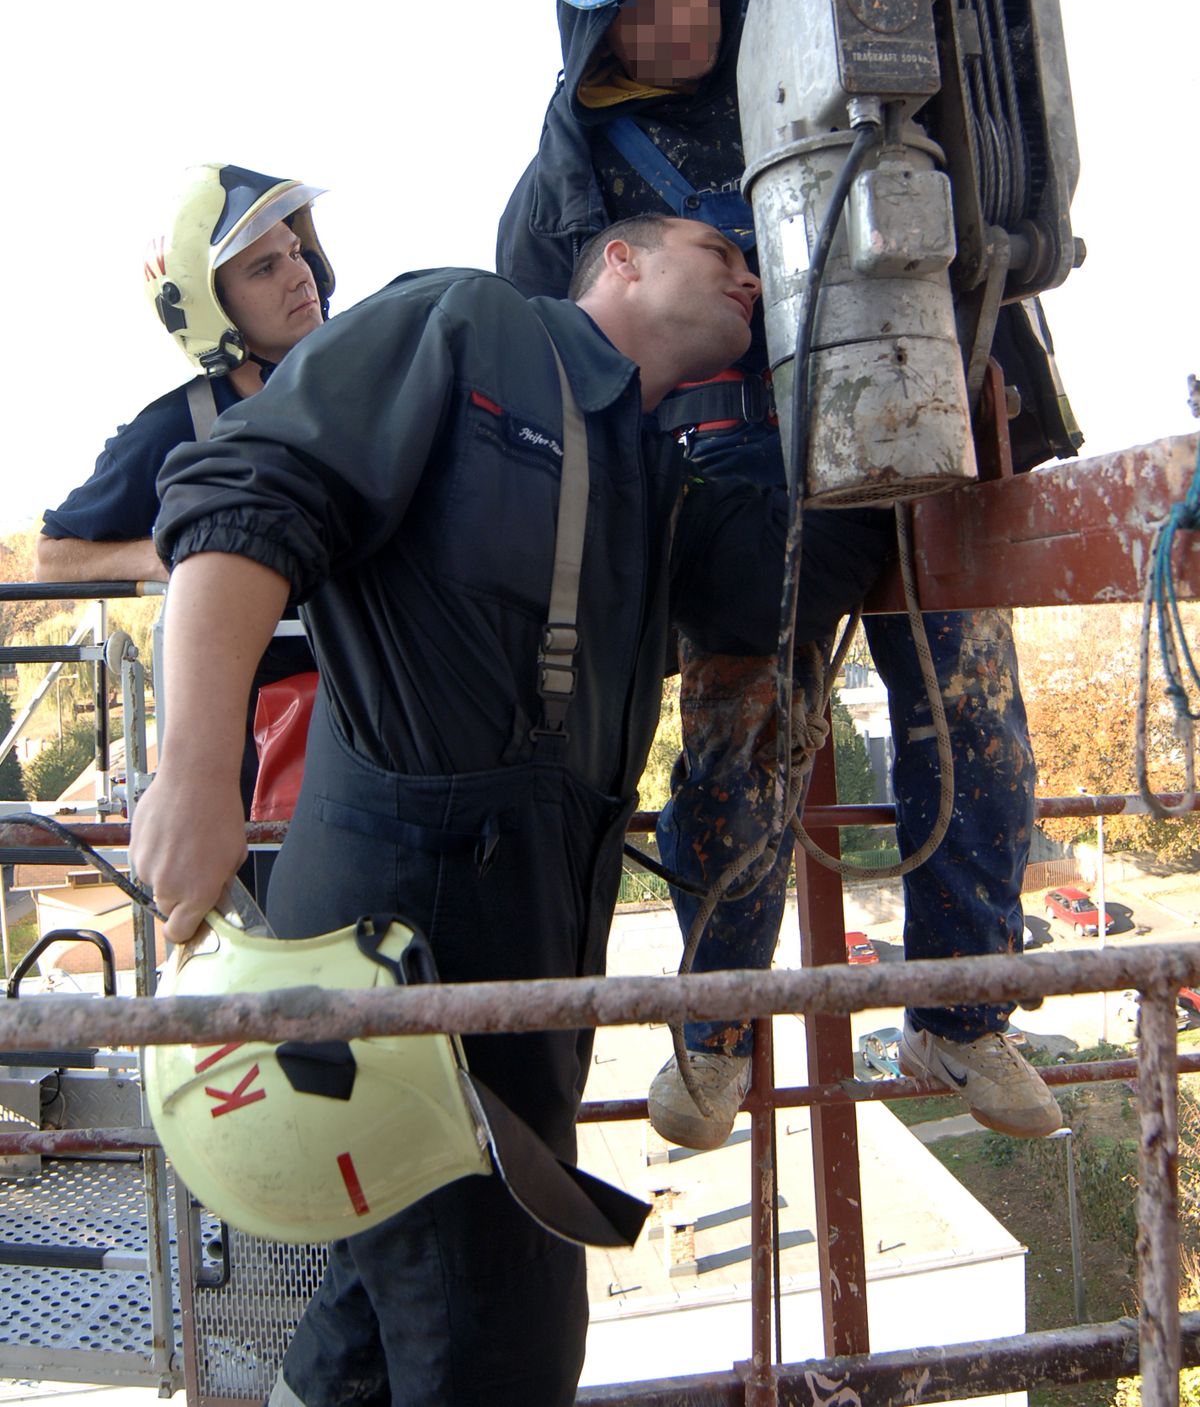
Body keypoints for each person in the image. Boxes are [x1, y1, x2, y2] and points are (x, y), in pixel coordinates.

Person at [130, 215, 893, 1407]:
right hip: (399, 950)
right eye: (715, 245)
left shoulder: (657, 468)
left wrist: (889, 395)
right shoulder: (467, 325)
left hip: (527, 951)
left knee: (379, 1317)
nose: (748, 269)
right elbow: (246, 488)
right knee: (501, 1346)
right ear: (621, 262)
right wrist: (191, 770)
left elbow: (777, 588)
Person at [498, 0, 1083, 1149]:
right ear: (588, 21)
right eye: (638, 6)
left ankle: (964, 1008)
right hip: (732, 480)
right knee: (741, 733)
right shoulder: (561, 190)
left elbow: (971, 186)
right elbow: (559, 377)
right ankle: (714, 1038)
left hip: (908, 422)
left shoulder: (828, 58)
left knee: (969, 703)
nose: (678, 17)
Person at [36, 162, 333, 815]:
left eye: (294, 250)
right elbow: (53, 554)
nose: (299, 272)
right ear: (209, 305)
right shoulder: (176, 426)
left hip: (385, 714)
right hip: (268, 748)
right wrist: (170, 553)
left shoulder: (364, 389)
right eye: (264, 268)